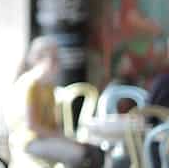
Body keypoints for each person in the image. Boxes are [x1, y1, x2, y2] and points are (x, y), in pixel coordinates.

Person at [6, 36, 103, 168]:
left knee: (95, 151)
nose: (58, 63)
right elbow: (32, 126)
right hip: (30, 141)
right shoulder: (30, 85)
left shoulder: (48, 86)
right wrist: (63, 140)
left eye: (58, 59)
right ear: (38, 59)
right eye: (53, 59)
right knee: (78, 154)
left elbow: (54, 124)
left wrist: (68, 139)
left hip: (47, 137)